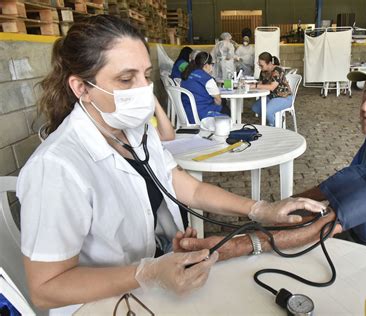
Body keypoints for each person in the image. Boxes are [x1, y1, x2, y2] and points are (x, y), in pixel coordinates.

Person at [17, 15, 328, 313]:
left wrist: (260, 209)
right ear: (81, 88)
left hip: (152, 283)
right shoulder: (55, 168)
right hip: (98, 305)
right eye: (126, 79)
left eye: (146, 75)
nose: (143, 89)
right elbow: (45, 288)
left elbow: (187, 187)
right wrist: (147, 273)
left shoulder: (136, 132)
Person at [177, 54, 366, 269]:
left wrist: (232, 245)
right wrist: (273, 210)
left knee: (263, 260)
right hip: (361, 240)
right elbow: (340, 186)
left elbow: (329, 222)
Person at [180, 51, 230, 124]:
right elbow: (218, 101)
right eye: (212, 64)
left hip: (186, 112)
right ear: (206, 65)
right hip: (202, 114)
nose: (212, 67)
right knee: (225, 108)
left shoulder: (187, 74)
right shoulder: (207, 79)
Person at [251, 52, 293, 126]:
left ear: (270, 63)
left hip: (283, 97)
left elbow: (272, 87)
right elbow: (261, 83)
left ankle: (274, 126)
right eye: (259, 65)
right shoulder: (263, 71)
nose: (260, 67)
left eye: (261, 65)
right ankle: (273, 119)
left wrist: (255, 86)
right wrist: (249, 85)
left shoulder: (278, 70)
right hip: (271, 97)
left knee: (267, 111)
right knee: (255, 108)